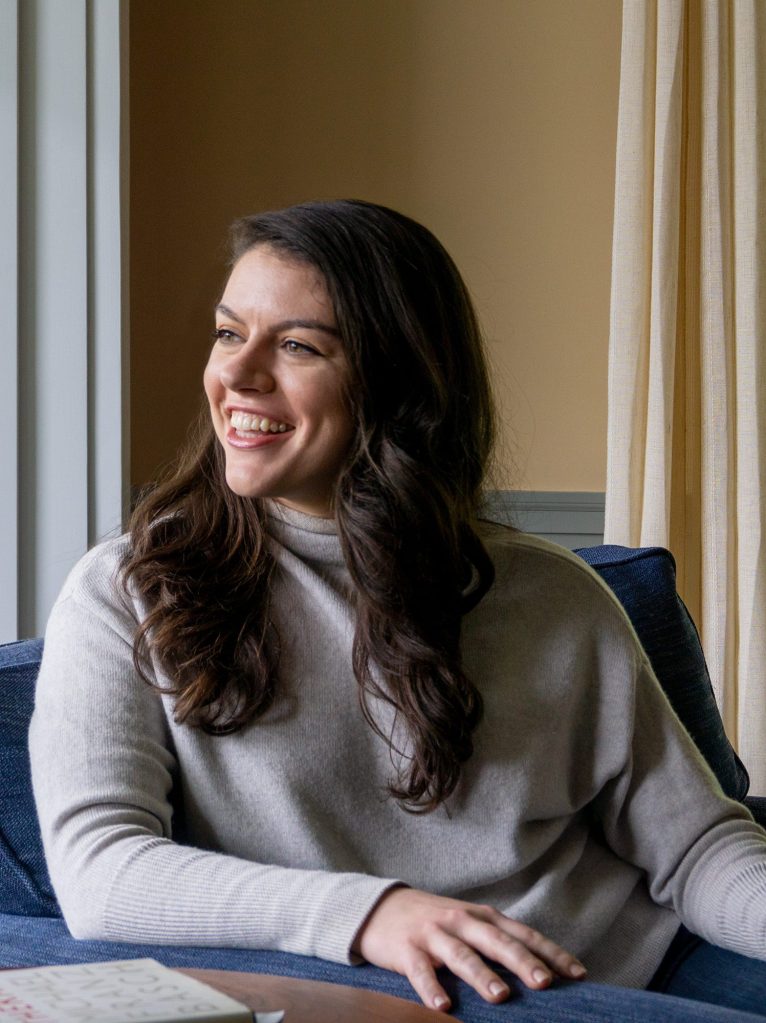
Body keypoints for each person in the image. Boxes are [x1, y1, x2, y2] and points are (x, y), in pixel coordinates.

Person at [29, 200, 766, 1022]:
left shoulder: (557, 598)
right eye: (229, 333)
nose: (236, 374)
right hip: (393, 986)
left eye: (298, 346)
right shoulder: (129, 590)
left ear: (400, 379)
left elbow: (697, 847)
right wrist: (372, 912)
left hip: (623, 964)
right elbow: (100, 871)